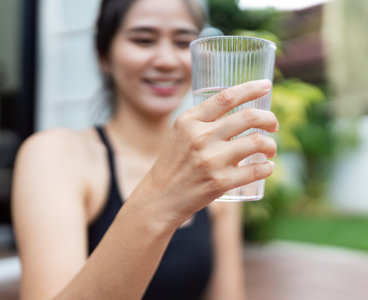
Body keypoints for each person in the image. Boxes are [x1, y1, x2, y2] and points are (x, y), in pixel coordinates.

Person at [11, 0, 278, 299]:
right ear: (104, 54)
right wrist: (164, 198)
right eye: (143, 39)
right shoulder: (55, 155)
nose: (166, 60)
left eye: (182, 42)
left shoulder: (211, 169)